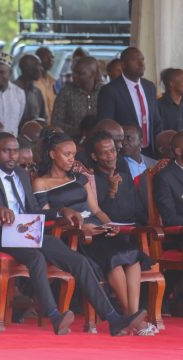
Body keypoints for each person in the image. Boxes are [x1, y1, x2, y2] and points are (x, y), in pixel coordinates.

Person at [0, 131, 147, 336]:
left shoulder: (22, 174)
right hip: (1, 232)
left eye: (15, 151)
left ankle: (114, 319)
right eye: (6, 151)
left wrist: (61, 211)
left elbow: (34, 210)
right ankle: (54, 315)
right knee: (35, 257)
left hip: (28, 230)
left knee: (78, 261)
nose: (12, 156)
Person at [32, 129, 154, 335]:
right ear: (52, 154)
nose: (72, 159)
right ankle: (129, 316)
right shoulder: (40, 183)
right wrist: (80, 227)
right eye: (67, 154)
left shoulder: (80, 178)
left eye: (73, 154)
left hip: (97, 227)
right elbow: (46, 219)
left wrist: (109, 225)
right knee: (114, 259)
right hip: (75, 234)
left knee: (132, 255)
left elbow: (96, 210)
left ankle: (132, 314)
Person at [97, 47, 162, 158]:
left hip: (150, 152)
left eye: (142, 59)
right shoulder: (110, 90)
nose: (141, 63)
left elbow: (155, 120)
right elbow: (106, 125)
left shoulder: (149, 87)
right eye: (134, 60)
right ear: (123, 65)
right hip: (125, 153)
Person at [52, 57, 102, 139]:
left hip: (100, 142)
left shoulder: (104, 92)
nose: (74, 76)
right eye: (74, 72)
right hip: (71, 143)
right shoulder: (66, 92)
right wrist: (80, 132)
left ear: (94, 74)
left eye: (80, 73)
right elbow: (56, 123)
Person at [0, 52, 26, 137]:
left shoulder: (19, 93)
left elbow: (18, 118)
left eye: (2, 72)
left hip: (11, 144)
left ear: (10, 73)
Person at [14, 55, 46, 127]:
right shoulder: (12, 90)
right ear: (27, 68)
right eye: (38, 65)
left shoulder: (37, 92)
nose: (42, 69)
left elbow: (42, 118)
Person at [34, 47, 56, 120]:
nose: (50, 60)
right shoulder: (34, 82)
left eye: (52, 57)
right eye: (46, 57)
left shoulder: (53, 81)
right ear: (38, 60)